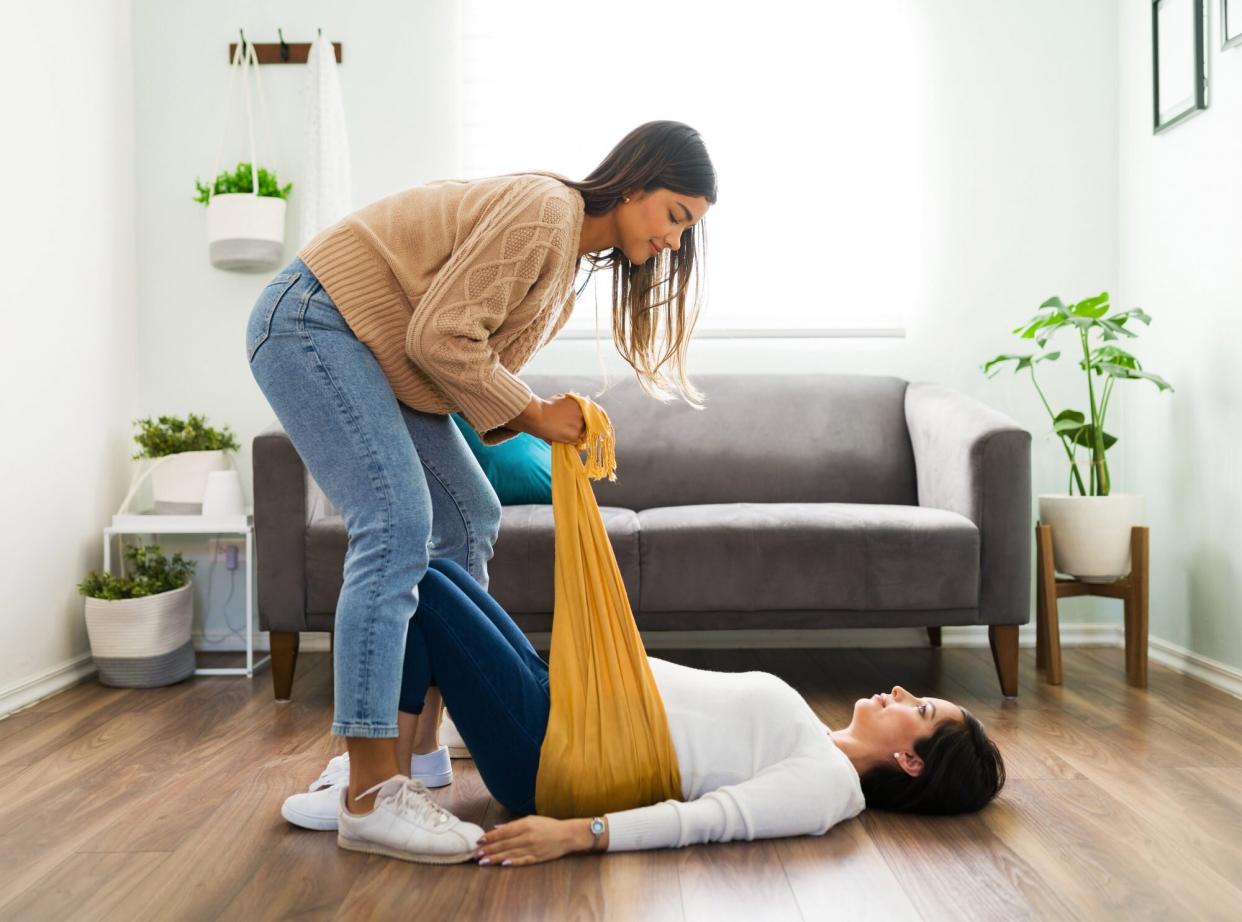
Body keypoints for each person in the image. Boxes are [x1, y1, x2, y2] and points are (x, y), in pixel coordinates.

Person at [246, 120, 717, 861]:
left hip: (382, 355)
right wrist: (533, 412)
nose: (674, 242)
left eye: (686, 230)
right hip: (316, 322)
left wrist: (541, 419)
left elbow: (455, 360)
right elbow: (441, 339)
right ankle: (368, 791)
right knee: (397, 524)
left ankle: (419, 753)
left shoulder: (567, 260)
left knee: (469, 516)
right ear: (633, 186)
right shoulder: (547, 213)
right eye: (674, 217)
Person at [283, 557, 1007, 866]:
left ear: (912, 760)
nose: (904, 694)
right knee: (432, 567)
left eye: (922, 710)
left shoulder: (827, 791)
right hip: (563, 700)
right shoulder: (815, 739)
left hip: (553, 750)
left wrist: (577, 835)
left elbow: (707, 821)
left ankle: (373, 789)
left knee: (423, 588)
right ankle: (385, 779)